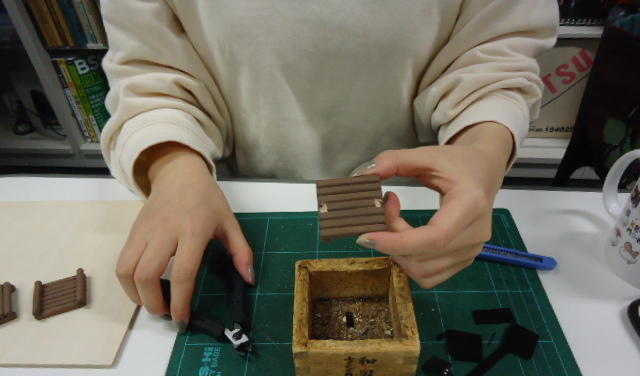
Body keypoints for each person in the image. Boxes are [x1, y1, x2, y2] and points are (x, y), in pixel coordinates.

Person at [100, 0, 559, 330]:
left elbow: (497, 52)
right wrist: (173, 169)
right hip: (238, 194)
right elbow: (149, 69)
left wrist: (481, 153)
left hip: (416, 198)